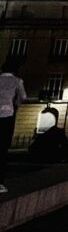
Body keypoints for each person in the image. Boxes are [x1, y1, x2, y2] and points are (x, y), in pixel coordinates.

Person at [0, 56, 28, 192]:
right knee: (3, 148)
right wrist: (16, 103)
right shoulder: (17, 81)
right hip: (7, 115)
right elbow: (23, 97)